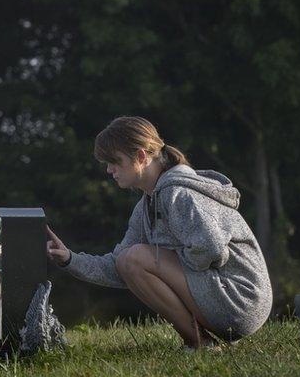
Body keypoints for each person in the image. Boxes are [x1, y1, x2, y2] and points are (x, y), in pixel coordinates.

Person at [46, 116, 272, 349]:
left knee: (135, 258)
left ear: (141, 157)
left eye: (115, 161)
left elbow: (211, 248)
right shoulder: (148, 203)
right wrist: (69, 259)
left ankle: (199, 343)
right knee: (131, 259)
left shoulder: (178, 194)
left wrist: (166, 262)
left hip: (240, 301)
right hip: (223, 299)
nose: (109, 170)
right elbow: (120, 268)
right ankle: (200, 341)